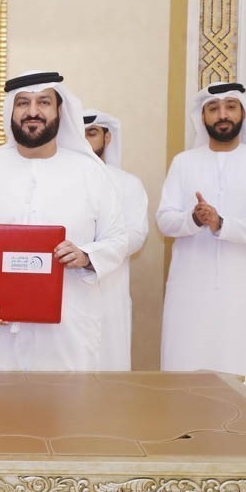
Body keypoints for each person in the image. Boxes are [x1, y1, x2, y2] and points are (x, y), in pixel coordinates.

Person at [0, 71, 126, 371]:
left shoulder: (90, 173)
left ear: (59, 111)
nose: (33, 112)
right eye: (23, 103)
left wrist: (86, 255)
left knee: (66, 415)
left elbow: (118, 237)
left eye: (43, 102)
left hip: (68, 333)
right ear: (11, 112)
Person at [157, 82, 246, 405]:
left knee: (241, 367)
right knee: (187, 368)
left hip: (241, 291)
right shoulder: (183, 163)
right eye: (213, 108)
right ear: (202, 117)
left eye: (230, 106)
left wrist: (223, 224)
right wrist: (195, 220)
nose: (222, 115)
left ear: (242, 112)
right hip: (189, 290)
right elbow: (164, 220)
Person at [83, 109, 148, 370]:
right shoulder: (60, 180)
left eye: (92, 133)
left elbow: (135, 235)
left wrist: (90, 255)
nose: (86, 140)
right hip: (66, 289)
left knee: (110, 360)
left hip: (111, 286)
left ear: (107, 138)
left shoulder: (128, 184)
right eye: (80, 134)